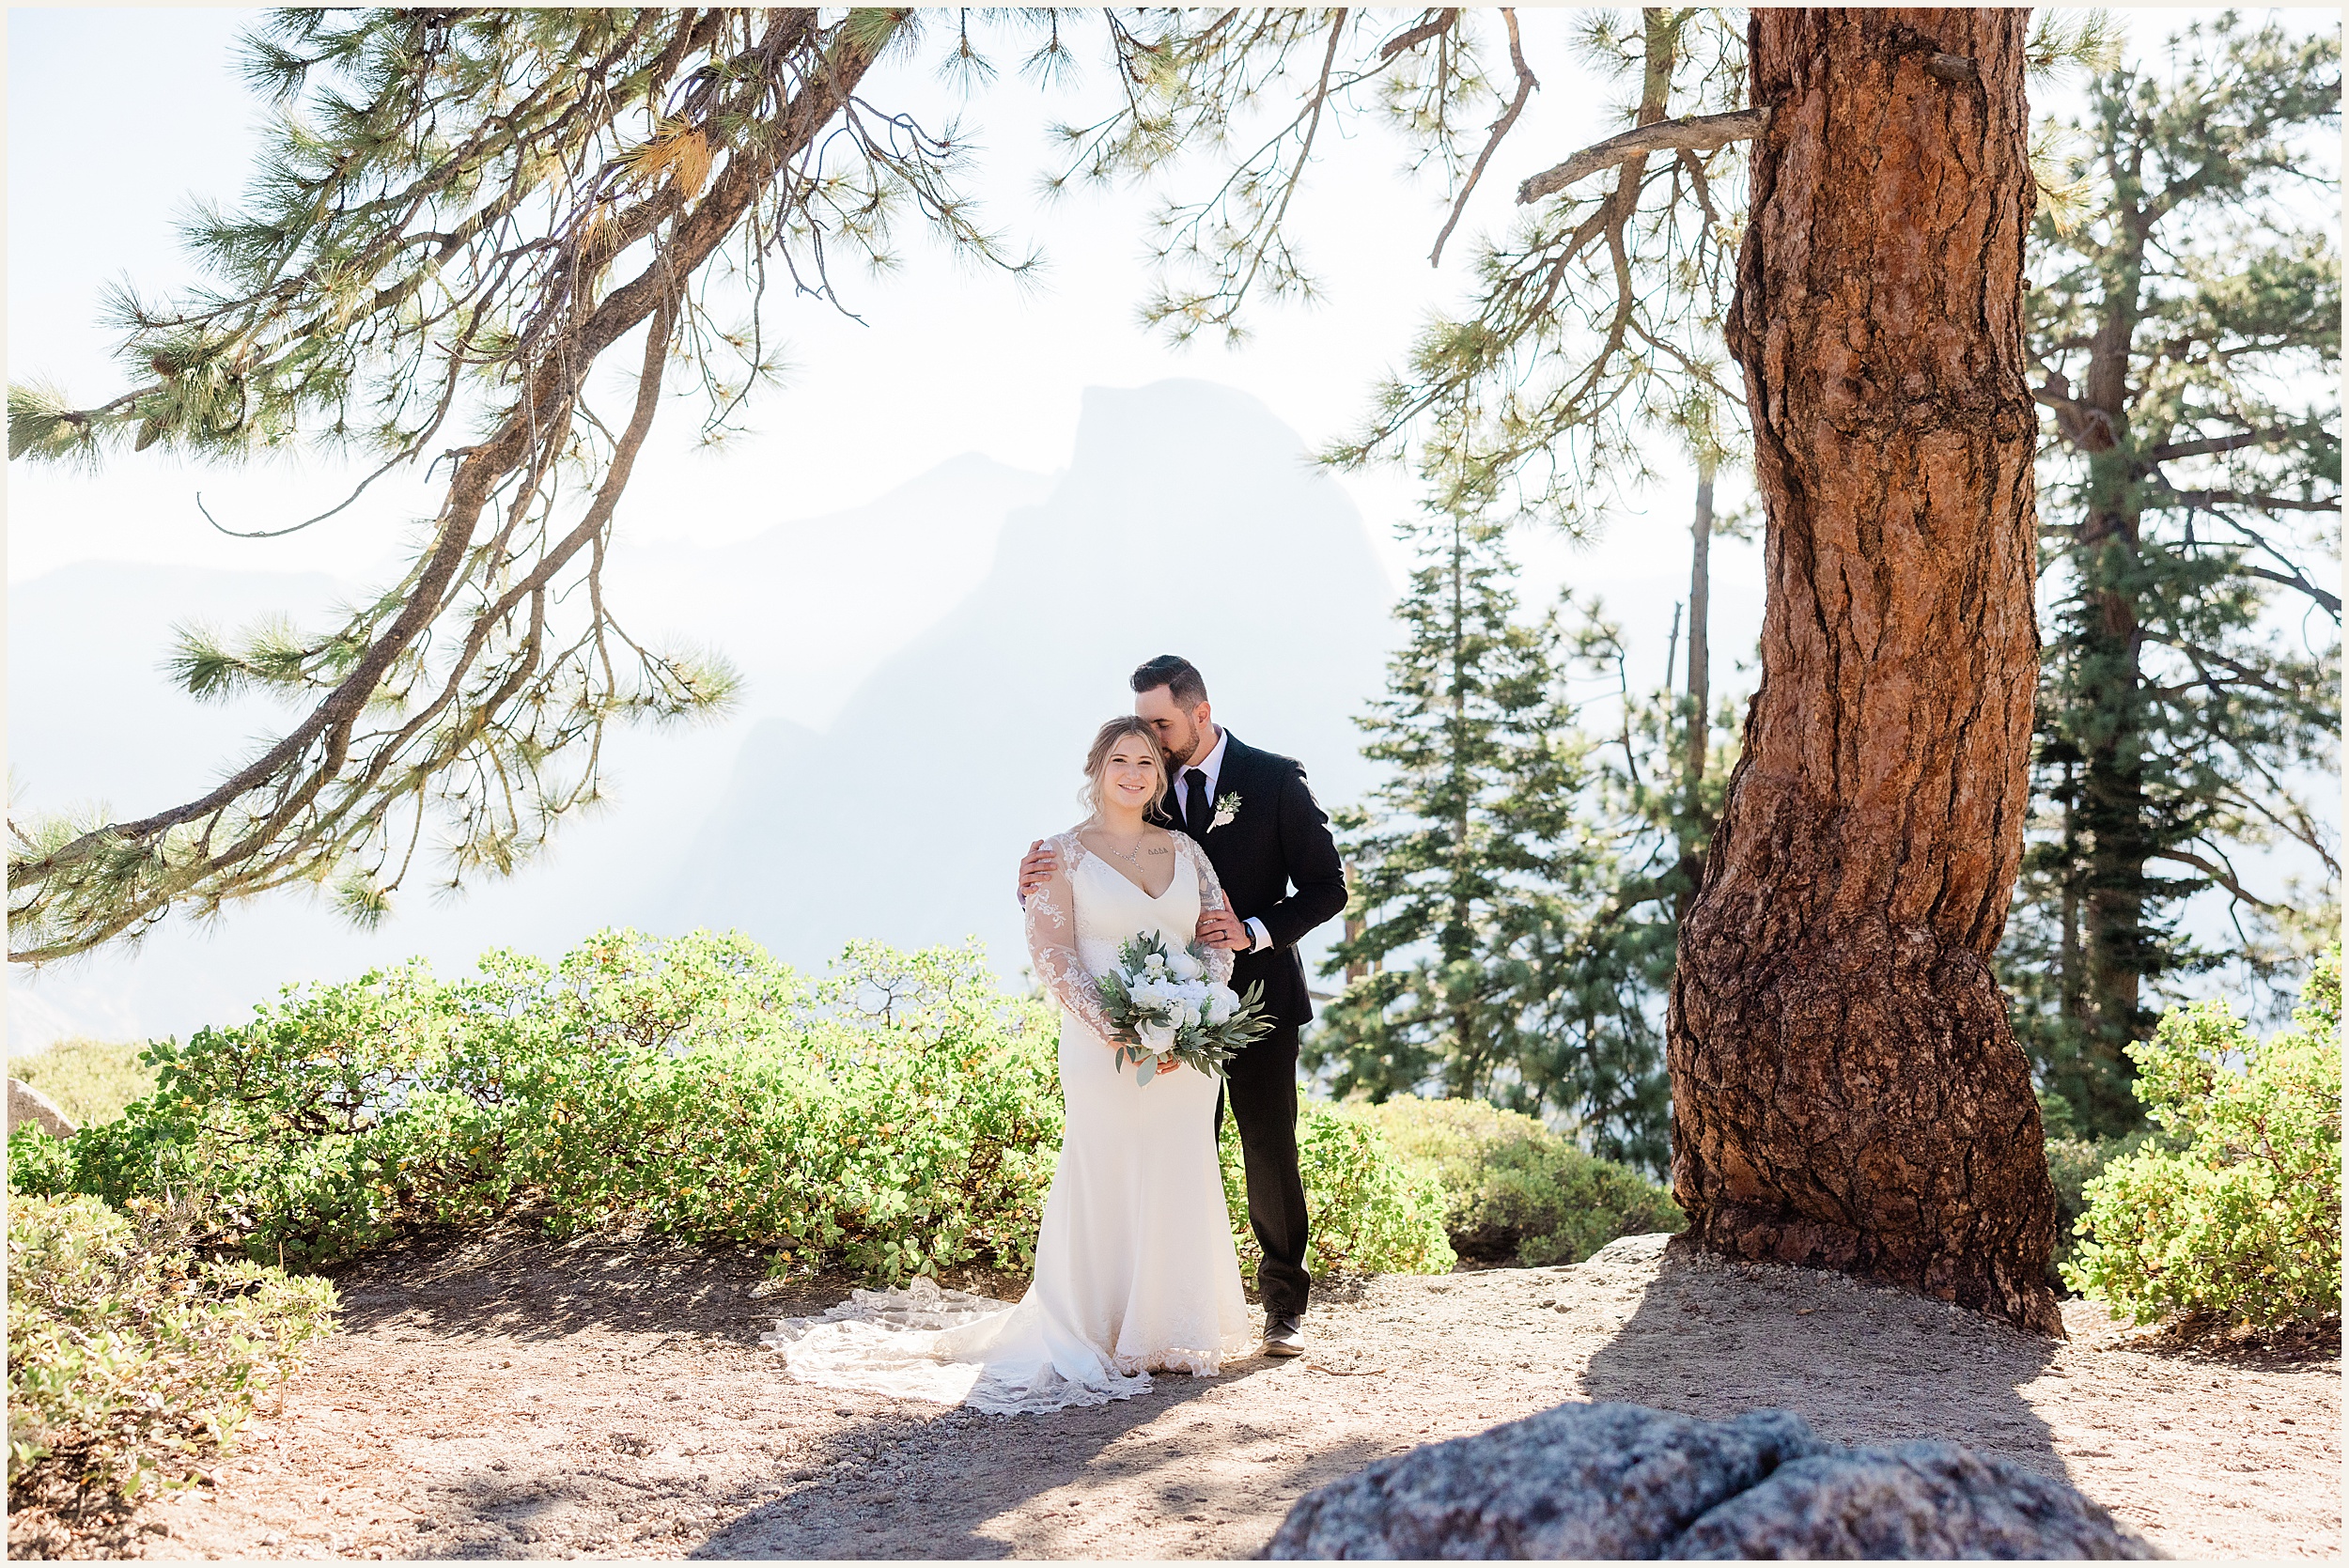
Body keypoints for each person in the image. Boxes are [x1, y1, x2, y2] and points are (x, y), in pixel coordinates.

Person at [766, 717, 1257, 1414]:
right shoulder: (1057, 855)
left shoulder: (1187, 851)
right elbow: (1053, 953)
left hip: (1185, 1052)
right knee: (1103, 1166)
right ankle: (1097, 1327)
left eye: (1146, 761)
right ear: (1095, 768)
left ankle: (1170, 1330)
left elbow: (1216, 936)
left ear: (1160, 775)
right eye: (1119, 759)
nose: (1133, 772)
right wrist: (1116, 1028)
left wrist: (1199, 1010)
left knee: (1180, 1167)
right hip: (1102, 1045)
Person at [1017, 655, 1346, 1357]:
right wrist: (1033, 877)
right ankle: (1156, 1309)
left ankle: (1284, 1305)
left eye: (1162, 724)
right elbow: (1103, 850)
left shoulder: (1274, 779)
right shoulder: (1151, 781)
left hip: (1257, 997)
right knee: (1178, 1154)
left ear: (1200, 712)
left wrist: (1254, 932)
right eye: (1141, 731)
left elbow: (1327, 887)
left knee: (1267, 1147)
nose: (1150, 741)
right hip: (1144, 1009)